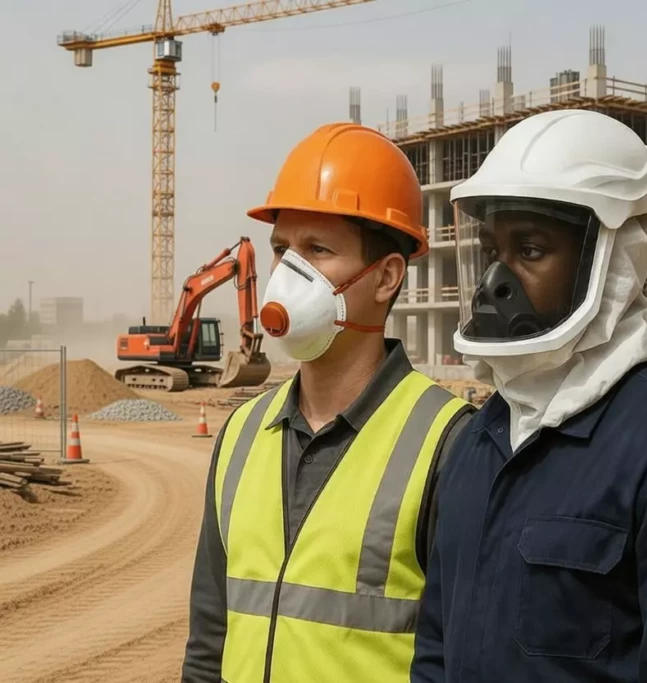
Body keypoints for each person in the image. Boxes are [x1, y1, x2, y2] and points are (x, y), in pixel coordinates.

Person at [410, 109, 647, 683]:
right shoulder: (476, 443)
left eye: (531, 250)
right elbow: (435, 646)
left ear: (615, 259)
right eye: (491, 251)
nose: (495, 282)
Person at [181, 123, 474, 683]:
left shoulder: (449, 443)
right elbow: (209, 640)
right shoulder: (241, 433)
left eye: (317, 250)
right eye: (281, 249)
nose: (288, 273)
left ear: (386, 277)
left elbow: (459, 657)